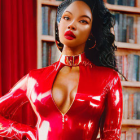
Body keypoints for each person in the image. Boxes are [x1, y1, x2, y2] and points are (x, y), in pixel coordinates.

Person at [0, 0, 123, 139]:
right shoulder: (34, 78)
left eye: (83, 21)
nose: (71, 25)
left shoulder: (108, 79)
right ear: (58, 24)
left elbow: (111, 135)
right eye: (66, 18)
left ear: (91, 32)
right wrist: (27, 133)